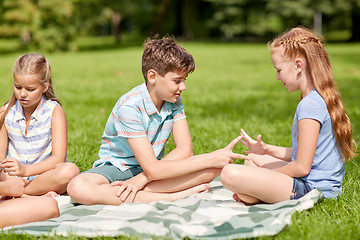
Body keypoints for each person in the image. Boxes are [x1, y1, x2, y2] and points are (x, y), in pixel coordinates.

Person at [67, 36, 245, 205]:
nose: (183, 87)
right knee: (78, 187)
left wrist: (140, 179)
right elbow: (152, 168)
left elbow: (185, 150)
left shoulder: (173, 100)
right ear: (152, 77)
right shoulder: (129, 107)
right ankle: (169, 197)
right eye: (177, 81)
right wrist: (210, 157)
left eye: (184, 80)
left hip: (154, 170)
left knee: (215, 169)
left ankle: (136, 193)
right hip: (119, 168)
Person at [221, 26, 357, 205]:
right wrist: (267, 150)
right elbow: (308, 155)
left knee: (229, 173)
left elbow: (301, 167)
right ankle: (254, 194)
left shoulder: (310, 105)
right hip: (311, 184)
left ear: (298, 65)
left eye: (278, 70)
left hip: (311, 190)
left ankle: (255, 194)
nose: (277, 77)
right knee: (252, 160)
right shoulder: (317, 99)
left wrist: (264, 176)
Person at [0, 53, 79, 196]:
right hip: (11, 177)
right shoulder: (6, 112)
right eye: (18, 87)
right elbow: (1, 153)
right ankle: (28, 193)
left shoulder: (54, 112)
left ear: (44, 87)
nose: (23, 94)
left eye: (30, 89)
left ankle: (21, 193)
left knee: (70, 171)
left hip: (42, 176)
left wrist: (25, 170)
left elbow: (58, 158)